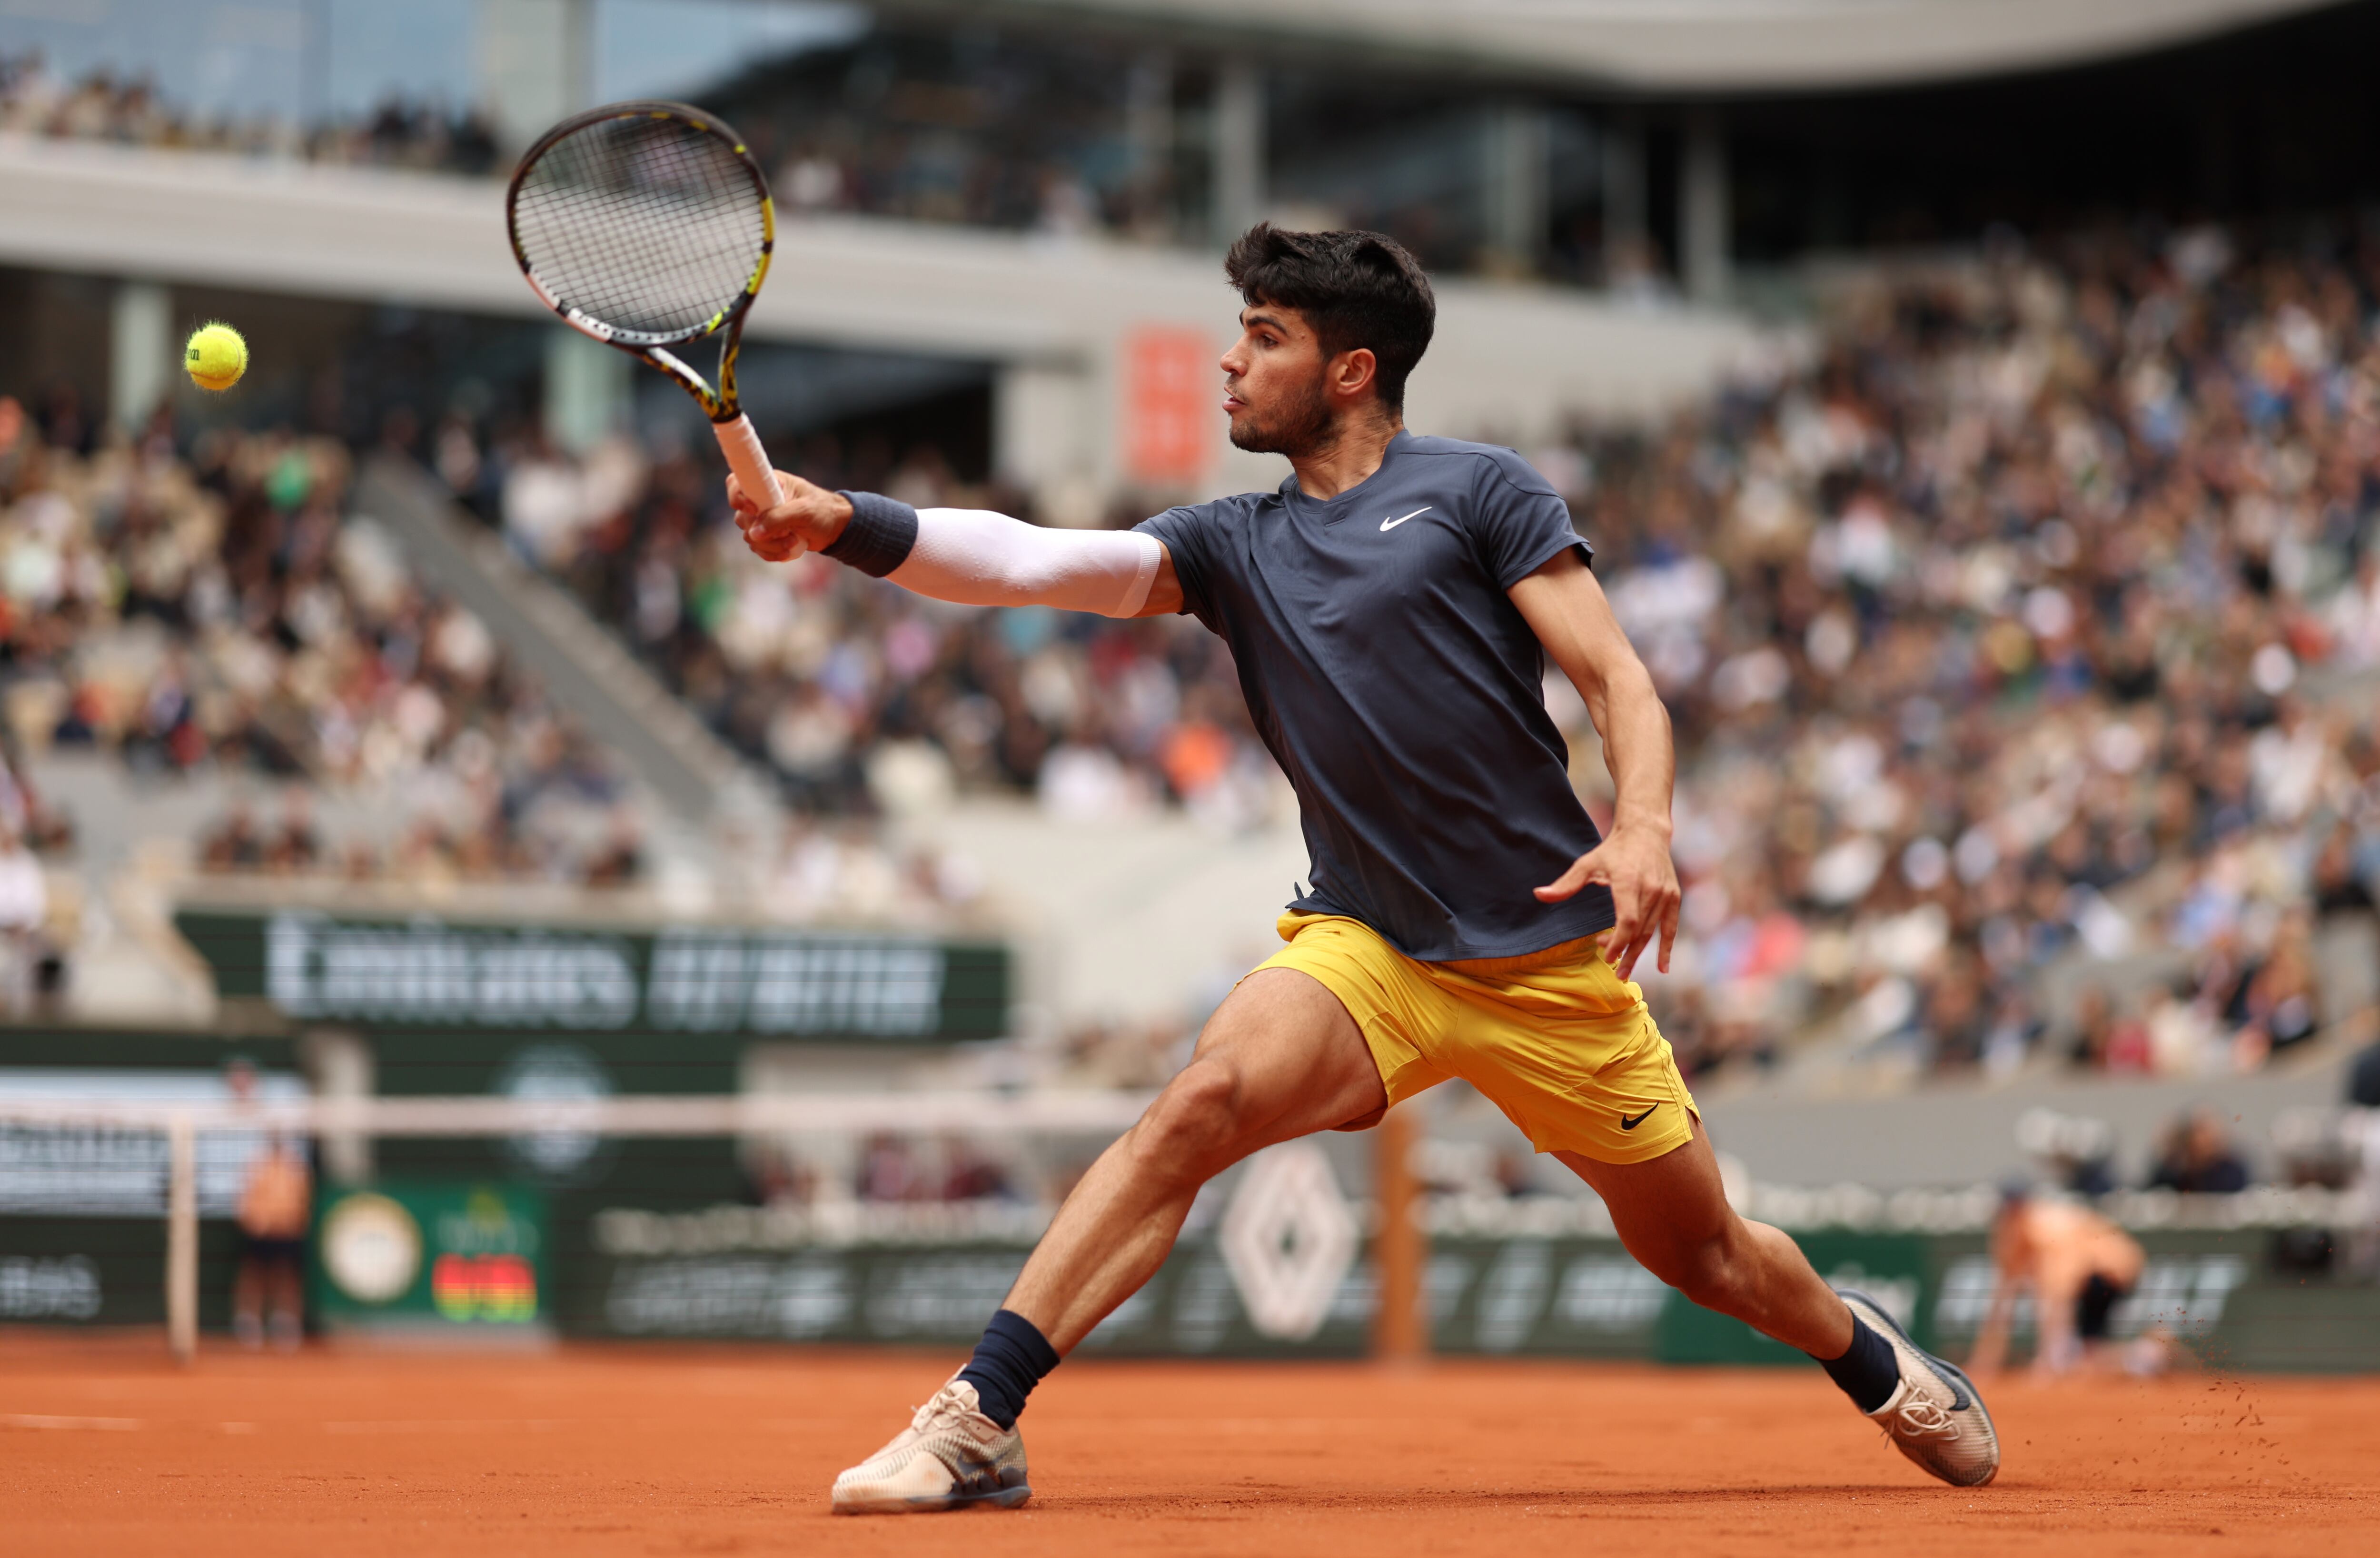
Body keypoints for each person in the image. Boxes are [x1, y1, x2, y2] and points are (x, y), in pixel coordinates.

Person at [731, 224, 2000, 1512]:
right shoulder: (1230, 546)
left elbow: (1619, 678)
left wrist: (1647, 826)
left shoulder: (1481, 491)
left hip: (1548, 962)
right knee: (1196, 1107)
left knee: (1710, 1257)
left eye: (1264, 338)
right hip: (1367, 948)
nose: (1229, 363)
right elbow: (1029, 561)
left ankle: (1868, 1356)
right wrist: (840, 520)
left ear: (1350, 371)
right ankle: (976, 1420)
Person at [1969, 1183, 2152, 1377]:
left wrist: (2047, 1360)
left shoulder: (2047, 1230)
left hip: (2110, 1273)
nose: (2011, 1213)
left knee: (2073, 1358)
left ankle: (2140, 1356)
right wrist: (1984, 1363)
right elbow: (2002, 1301)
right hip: (2104, 1273)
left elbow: (2059, 1294)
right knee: (2082, 1357)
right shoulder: (2015, 1235)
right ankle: (2143, 1355)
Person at [233, 1125, 312, 1351]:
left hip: (287, 1234)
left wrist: (291, 1223)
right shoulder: (256, 1165)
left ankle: (286, 1324)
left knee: (287, 1278)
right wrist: (257, 1222)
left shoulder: (295, 1167)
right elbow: (246, 1199)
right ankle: (249, 1323)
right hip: (260, 1234)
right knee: (254, 1277)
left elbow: (302, 1200)